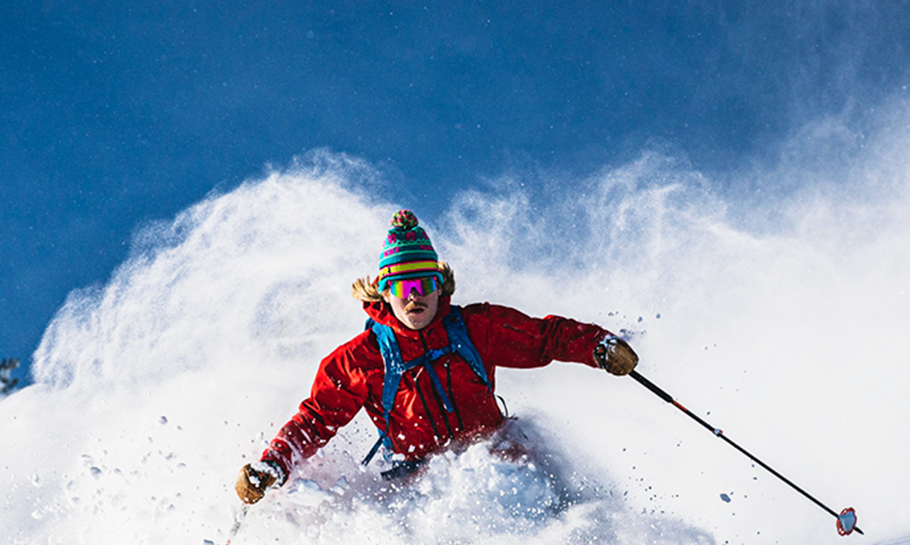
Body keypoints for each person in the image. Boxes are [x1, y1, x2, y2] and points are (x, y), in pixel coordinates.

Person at [236, 209, 638, 504]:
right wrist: (274, 465)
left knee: (560, 496)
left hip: (500, 452)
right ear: (384, 291)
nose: (415, 296)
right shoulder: (361, 360)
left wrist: (598, 347)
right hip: (423, 482)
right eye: (402, 285)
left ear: (439, 285)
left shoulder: (476, 328)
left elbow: (544, 338)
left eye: (424, 282)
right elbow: (316, 420)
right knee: (481, 523)